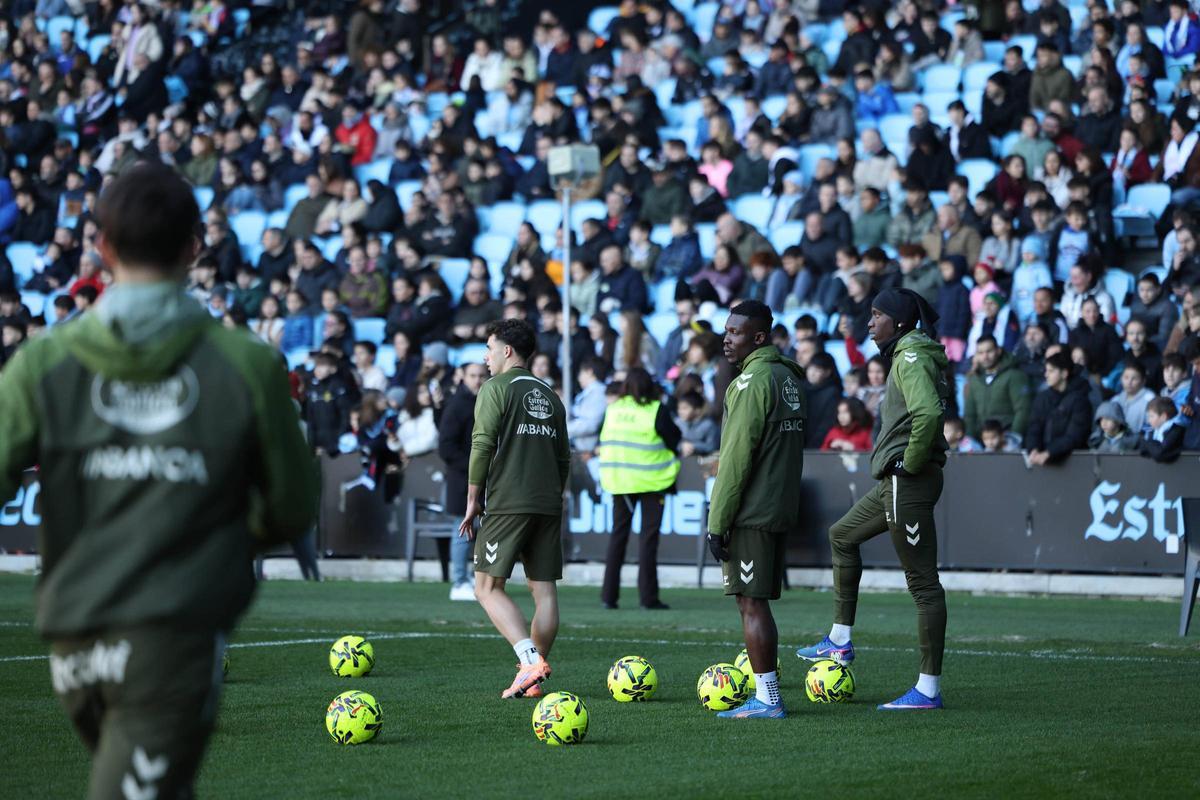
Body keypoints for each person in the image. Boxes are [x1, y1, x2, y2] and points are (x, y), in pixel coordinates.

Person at [0, 162, 316, 797]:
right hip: (173, 635)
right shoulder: (247, 364)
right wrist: (213, 524)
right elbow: (292, 505)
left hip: (71, 640)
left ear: (103, 247)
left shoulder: (40, 362)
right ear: (195, 247)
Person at [797, 287, 952, 711]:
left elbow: (930, 414)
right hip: (893, 482)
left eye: (877, 314)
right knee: (842, 536)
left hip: (907, 481)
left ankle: (927, 690)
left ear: (899, 322)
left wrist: (910, 463)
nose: (869, 322)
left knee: (923, 585)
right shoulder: (909, 353)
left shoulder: (911, 356)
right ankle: (840, 642)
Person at [458, 319, 570, 700]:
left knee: (486, 587)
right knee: (545, 592)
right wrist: (554, 496)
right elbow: (564, 459)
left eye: (489, 349)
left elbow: (482, 444)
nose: (485, 358)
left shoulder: (495, 388)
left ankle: (528, 661)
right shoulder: (551, 395)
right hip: (548, 503)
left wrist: (473, 500)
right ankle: (533, 680)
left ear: (507, 351)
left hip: (509, 501)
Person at [705, 300, 806, 718]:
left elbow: (735, 459)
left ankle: (768, 699)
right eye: (726, 331)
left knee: (751, 602)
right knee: (756, 599)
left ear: (759, 337)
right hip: (779, 503)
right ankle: (767, 695)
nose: (726, 339)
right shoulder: (788, 377)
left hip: (752, 509)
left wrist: (717, 521)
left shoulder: (752, 382)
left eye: (735, 332)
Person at [597, 367, 682, 610]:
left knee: (617, 538)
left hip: (620, 482)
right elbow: (674, 438)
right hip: (653, 482)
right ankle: (648, 598)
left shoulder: (612, 410)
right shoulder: (656, 410)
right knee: (648, 541)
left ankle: (608, 597)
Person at [438, 362, 490, 601]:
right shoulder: (457, 406)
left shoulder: (486, 402)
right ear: (463, 378)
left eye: (481, 375)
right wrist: (473, 467)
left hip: (482, 480)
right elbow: (446, 447)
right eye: (472, 376)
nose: (477, 380)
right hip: (462, 481)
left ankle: (469, 578)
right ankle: (458, 582)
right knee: (462, 530)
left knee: (478, 533)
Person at [1025, 351, 1094, 465]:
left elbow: (1075, 436)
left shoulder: (1080, 401)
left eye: (1051, 371)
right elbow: (1034, 427)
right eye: (1046, 371)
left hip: (1073, 464)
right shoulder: (1042, 398)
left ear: (1064, 374)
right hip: (1042, 461)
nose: (1046, 375)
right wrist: (1033, 449)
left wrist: (1049, 453)